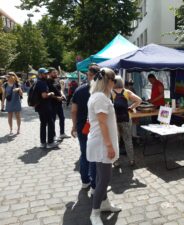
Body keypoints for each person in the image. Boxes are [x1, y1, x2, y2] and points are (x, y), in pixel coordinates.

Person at [87, 67, 121, 225]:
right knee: (104, 178)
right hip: (101, 143)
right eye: (114, 80)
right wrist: (109, 145)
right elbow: (101, 123)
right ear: (108, 81)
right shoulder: (100, 97)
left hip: (100, 141)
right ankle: (94, 213)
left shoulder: (100, 96)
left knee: (102, 177)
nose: (115, 83)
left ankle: (105, 203)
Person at [71, 64, 97, 194]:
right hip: (95, 128)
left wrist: (74, 126)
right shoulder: (101, 92)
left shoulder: (79, 90)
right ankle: (93, 183)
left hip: (83, 127)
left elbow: (74, 111)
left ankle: (85, 181)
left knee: (85, 154)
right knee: (94, 155)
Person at [112, 76, 142, 167]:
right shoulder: (126, 92)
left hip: (114, 120)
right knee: (128, 140)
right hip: (126, 119)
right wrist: (131, 108)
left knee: (116, 141)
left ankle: (116, 161)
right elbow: (139, 100)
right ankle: (131, 160)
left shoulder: (110, 92)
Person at [35, 68, 58, 149]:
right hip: (45, 107)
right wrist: (51, 93)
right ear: (40, 74)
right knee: (50, 123)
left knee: (43, 124)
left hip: (40, 107)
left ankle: (43, 142)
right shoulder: (42, 83)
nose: (47, 75)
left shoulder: (37, 82)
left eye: (47, 73)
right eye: (45, 74)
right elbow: (44, 95)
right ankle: (50, 142)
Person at [47, 68, 69, 140]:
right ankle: (53, 136)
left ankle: (62, 133)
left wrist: (62, 94)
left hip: (59, 103)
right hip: (52, 103)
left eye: (56, 73)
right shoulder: (47, 82)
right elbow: (48, 94)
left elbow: (60, 90)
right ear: (49, 73)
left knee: (62, 118)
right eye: (54, 73)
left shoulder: (56, 80)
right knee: (53, 119)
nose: (56, 74)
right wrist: (56, 97)